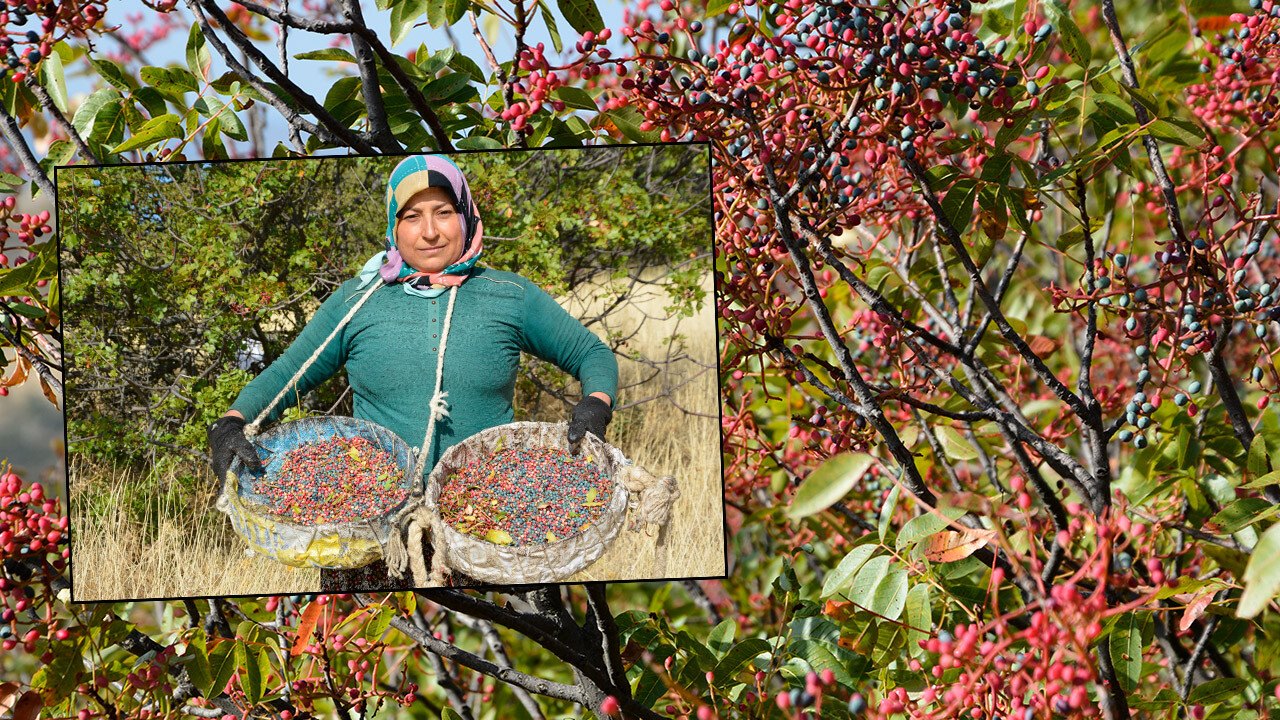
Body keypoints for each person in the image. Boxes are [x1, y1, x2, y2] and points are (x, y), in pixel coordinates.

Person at [205, 154, 619, 591]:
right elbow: (289, 372)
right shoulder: (358, 301)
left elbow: (591, 353)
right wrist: (232, 422)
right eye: (412, 216)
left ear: (466, 216)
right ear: (393, 226)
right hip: (368, 532)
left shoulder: (509, 296)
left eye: (444, 212)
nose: (430, 231)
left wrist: (596, 404)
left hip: (492, 525)